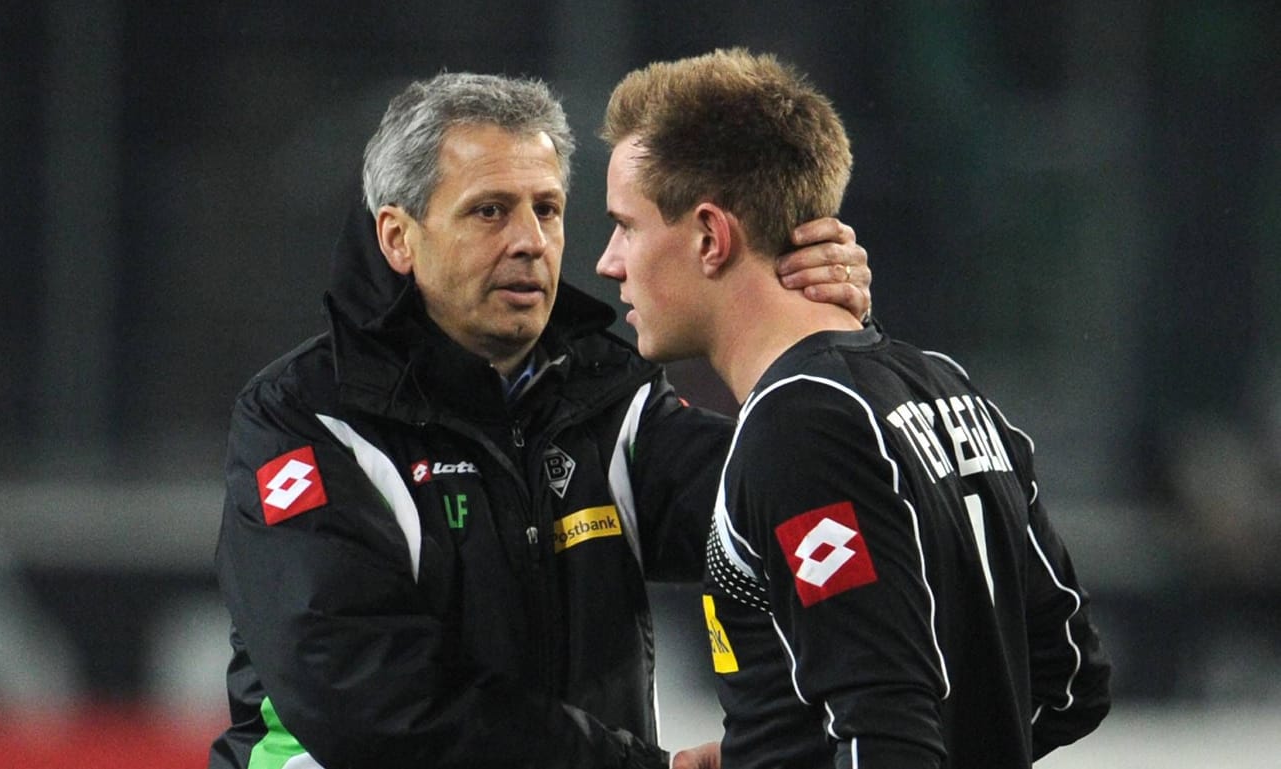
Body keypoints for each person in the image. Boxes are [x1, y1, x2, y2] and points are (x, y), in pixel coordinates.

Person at [209, 71, 873, 769]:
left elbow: (799, 494)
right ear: (399, 238)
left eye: (547, 209)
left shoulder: (606, 399)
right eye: (490, 211)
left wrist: (821, 338)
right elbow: (369, 699)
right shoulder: (305, 419)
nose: (531, 240)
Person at [595, 49, 1112, 769]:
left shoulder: (799, 428)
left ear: (710, 237)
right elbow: (1070, 680)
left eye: (626, 225)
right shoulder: (945, 385)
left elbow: (885, 732)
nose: (608, 261)